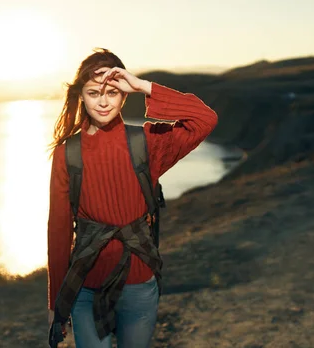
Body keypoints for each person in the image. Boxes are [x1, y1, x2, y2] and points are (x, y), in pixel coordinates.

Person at [47, 48, 218, 347]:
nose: (102, 101)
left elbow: (204, 119)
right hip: (85, 287)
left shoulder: (147, 143)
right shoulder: (67, 153)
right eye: (93, 92)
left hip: (139, 285)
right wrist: (55, 307)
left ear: (124, 95)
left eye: (113, 91)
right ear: (81, 96)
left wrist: (143, 86)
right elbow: (58, 231)